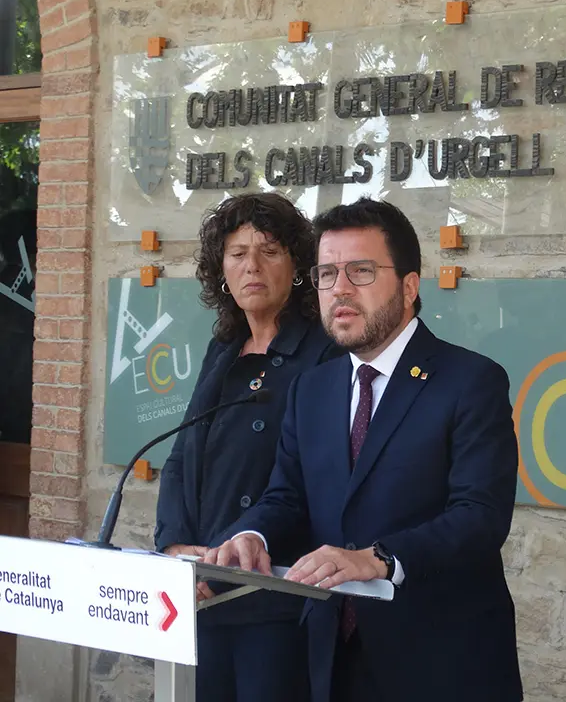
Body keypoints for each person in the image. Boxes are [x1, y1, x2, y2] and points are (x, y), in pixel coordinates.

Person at [202, 197, 524, 702]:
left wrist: (379, 558)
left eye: (361, 271)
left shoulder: (470, 381)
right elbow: (287, 496)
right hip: (331, 659)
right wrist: (251, 533)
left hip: (439, 663)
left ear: (410, 286)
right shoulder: (313, 388)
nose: (341, 290)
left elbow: (479, 518)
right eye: (327, 274)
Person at [154, 192, 342, 702]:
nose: (251, 266)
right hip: (199, 592)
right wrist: (172, 545)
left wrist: (226, 555)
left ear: (298, 266)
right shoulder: (222, 350)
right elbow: (180, 459)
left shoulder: (325, 355)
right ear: (221, 269)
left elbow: (308, 481)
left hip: (273, 594)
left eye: (270, 251)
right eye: (237, 254)